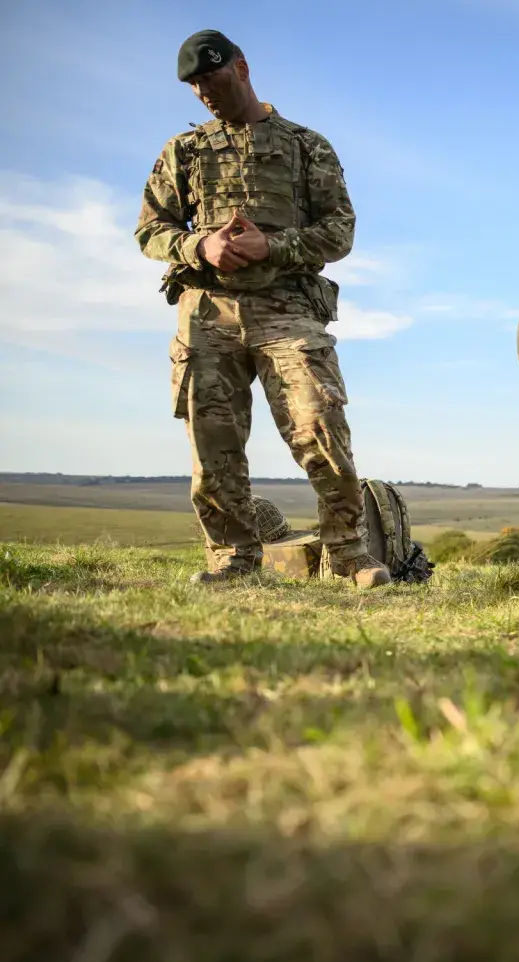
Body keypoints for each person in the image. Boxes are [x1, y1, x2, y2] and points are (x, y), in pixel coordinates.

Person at [134, 29, 390, 588]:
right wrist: (200, 246)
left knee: (319, 424)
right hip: (209, 311)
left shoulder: (305, 145)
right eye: (195, 84)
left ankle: (347, 553)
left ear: (242, 69)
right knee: (213, 445)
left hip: (288, 308)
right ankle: (232, 558)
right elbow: (150, 230)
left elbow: (340, 232)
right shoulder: (184, 150)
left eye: (213, 77)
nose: (205, 91)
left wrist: (271, 246)